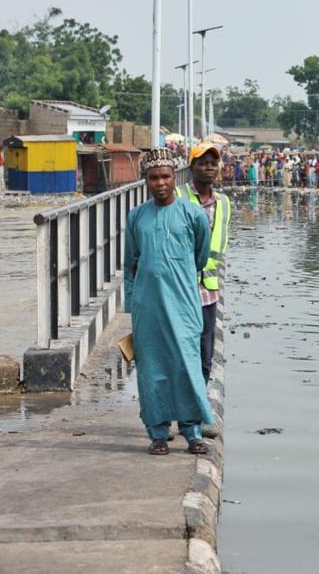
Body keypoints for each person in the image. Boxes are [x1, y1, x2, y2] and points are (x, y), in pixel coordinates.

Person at [124, 148, 213, 456]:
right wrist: (131, 307)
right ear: (145, 180)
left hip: (184, 305)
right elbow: (131, 263)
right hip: (147, 308)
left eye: (165, 177)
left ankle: (192, 431)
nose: (160, 183)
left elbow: (200, 256)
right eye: (153, 178)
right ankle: (158, 433)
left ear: (174, 177)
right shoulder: (136, 217)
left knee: (186, 365)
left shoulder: (193, 214)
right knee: (152, 369)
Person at [175, 142, 231, 400]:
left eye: (213, 163)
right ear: (192, 167)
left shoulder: (225, 203)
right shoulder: (178, 196)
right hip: (180, 288)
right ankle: (180, 407)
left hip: (208, 290)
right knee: (179, 349)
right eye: (203, 162)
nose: (209, 167)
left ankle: (197, 404)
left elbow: (222, 242)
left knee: (205, 350)